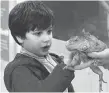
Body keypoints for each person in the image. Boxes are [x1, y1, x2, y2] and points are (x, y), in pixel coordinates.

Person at [4, 1, 94, 92]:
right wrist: (65, 69)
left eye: (49, 31)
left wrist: (70, 62)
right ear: (20, 37)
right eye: (38, 33)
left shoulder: (53, 59)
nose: (47, 38)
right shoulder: (18, 71)